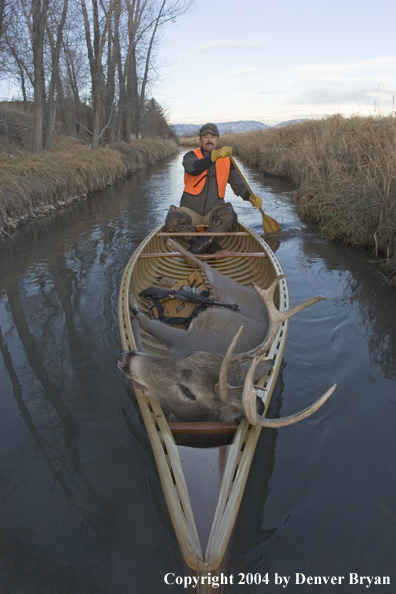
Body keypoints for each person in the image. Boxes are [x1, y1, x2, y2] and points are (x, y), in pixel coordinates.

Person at [164, 122, 263, 254]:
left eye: (212, 137)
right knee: (173, 218)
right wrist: (213, 157)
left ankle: (194, 250)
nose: (209, 140)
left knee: (230, 216)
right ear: (200, 139)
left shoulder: (227, 161)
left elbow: (239, 185)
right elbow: (194, 168)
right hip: (190, 210)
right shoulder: (190, 156)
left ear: (218, 139)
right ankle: (211, 248)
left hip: (214, 211)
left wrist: (250, 197)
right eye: (205, 137)